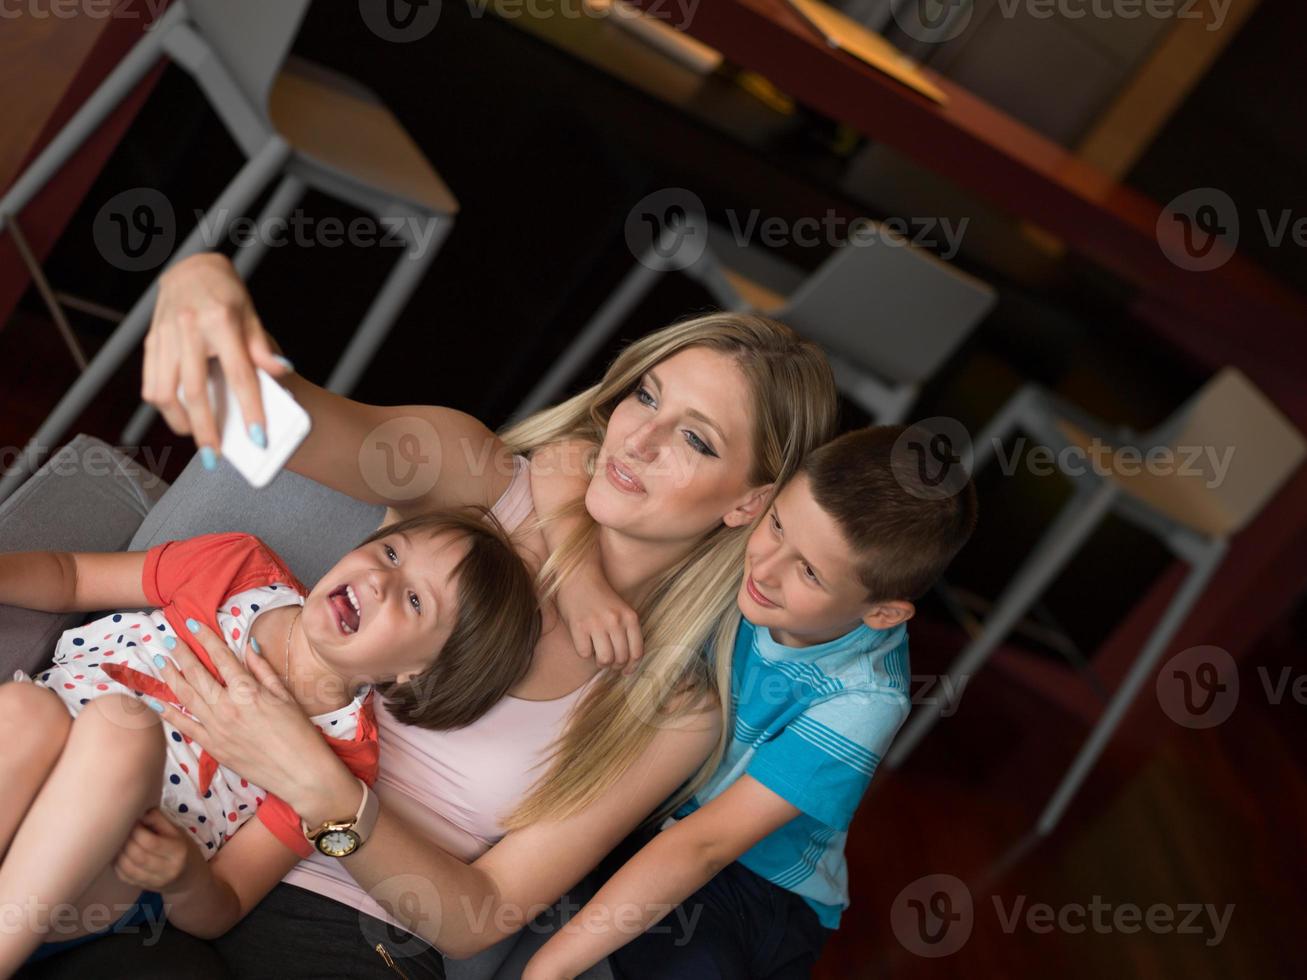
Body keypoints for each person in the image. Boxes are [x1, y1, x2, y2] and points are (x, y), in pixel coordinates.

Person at [98, 251, 840, 978]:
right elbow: (255, 412)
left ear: (747, 503)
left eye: (694, 438)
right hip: (189, 822)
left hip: (346, 929)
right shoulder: (474, 477)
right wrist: (201, 277)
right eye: (646, 396)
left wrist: (320, 788)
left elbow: (476, 919)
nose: (638, 439)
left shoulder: (668, 707)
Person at [522, 425, 978, 979]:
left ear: (882, 614)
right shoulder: (744, 529)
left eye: (809, 572)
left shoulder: (866, 698)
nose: (764, 568)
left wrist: (548, 970)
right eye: (779, 525)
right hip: (656, 801)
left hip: (754, 875)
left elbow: (706, 845)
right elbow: (564, 453)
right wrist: (580, 584)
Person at [0, 510, 540, 975]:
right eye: (392, 553)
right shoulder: (237, 567)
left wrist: (184, 875)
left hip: (95, 868)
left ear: (416, 673)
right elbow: (71, 575)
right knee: (26, 709)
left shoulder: (340, 760)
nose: (380, 580)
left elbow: (225, 902)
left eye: (416, 601)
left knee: (122, 728)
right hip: (24, 763)